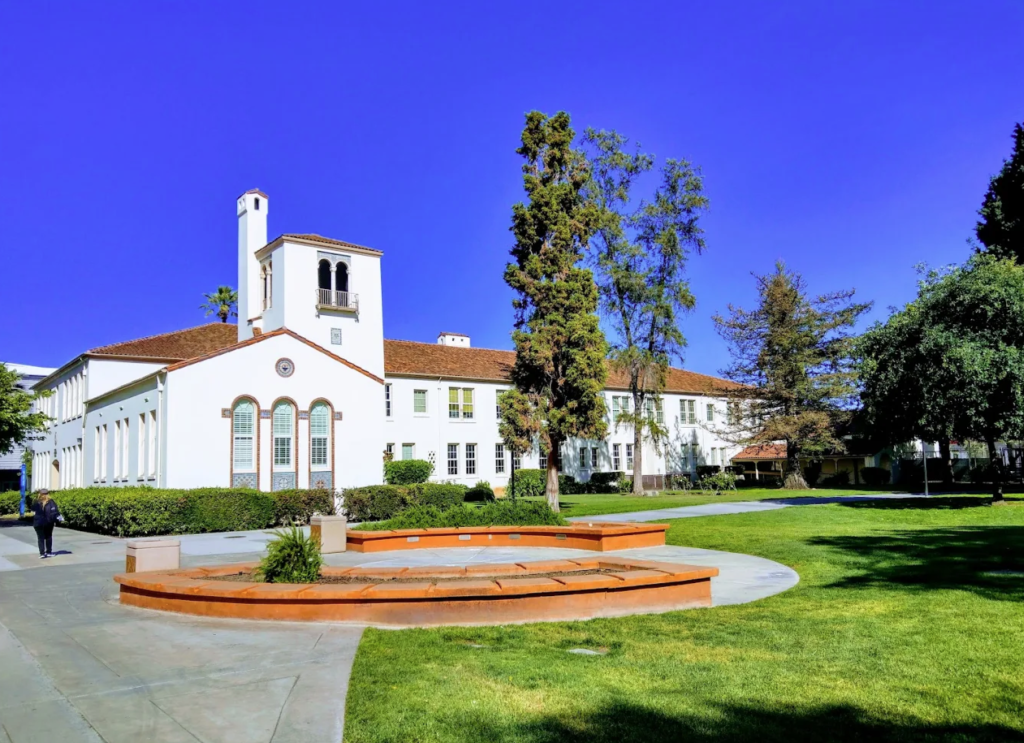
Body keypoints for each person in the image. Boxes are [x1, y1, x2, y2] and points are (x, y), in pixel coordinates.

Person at [32, 489, 62, 558]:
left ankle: (42, 553)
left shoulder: (36, 501)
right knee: (48, 537)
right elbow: (55, 512)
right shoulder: (51, 502)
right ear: (48, 494)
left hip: (38, 522)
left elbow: (33, 511)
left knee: (40, 538)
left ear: (39, 494)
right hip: (48, 522)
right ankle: (48, 552)